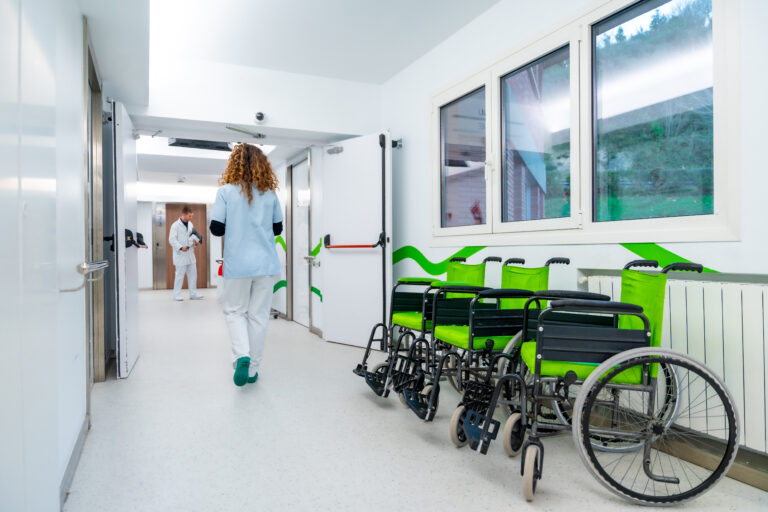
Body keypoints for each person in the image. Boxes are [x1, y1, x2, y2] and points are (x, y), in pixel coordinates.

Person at [210, 143, 283, 387]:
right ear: (262, 165)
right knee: (259, 316)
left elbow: (216, 228)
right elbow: (277, 228)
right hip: (265, 265)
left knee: (235, 312)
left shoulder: (225, 192)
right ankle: (252, 371)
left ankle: (242, 355)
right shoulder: (270, 194)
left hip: (238, 265)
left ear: (235, 164)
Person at [168, 204, 204, 301]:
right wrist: (180, 247)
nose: (191, 218)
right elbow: (172, 240)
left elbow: (191, 237)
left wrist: (195, 242)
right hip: (181, 255)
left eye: (192, 216)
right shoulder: (175, 226)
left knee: (193, 275)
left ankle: (193, 294)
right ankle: (176, 295)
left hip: (190, 254)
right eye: (189, 216)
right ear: (184, 214)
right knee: (179, 276)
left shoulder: (190, 224)